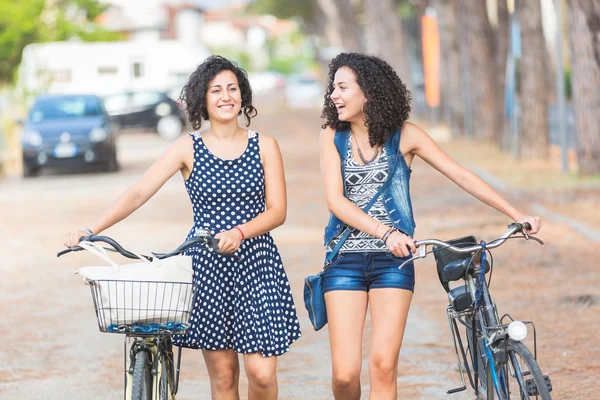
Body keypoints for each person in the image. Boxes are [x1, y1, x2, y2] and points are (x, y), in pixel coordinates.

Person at [64, 55, 301, 399]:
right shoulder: (187, 148)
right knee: (223, 378)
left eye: (232, 89)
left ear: (243, 95)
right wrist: (90, 228)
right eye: (216, 90)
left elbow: (277, 210)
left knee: (262, 375)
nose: (225, 96)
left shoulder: (264, 145)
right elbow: (139, 192)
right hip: (206, 267)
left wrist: (239, 232)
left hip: (257, 264)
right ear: (202, 100)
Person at [319, 52, 541, 400]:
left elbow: (462, 175)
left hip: (394, 264)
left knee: (383, 366)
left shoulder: (406, 136)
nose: (334, 95)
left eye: (343, 87)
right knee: (345, 375)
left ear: (370, 93)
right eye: (334, 87)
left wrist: (514, 213)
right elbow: (336, 201)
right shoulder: (332, 136)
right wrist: (385, 232)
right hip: (344, 260)